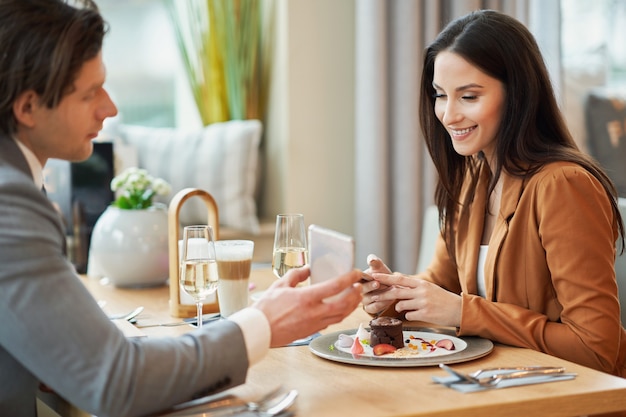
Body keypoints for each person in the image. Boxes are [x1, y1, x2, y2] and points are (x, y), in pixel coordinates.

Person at [0, 1, 363, 416]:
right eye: (89, 93)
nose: (110, 108)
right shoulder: (10, 202)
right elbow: (117, 382)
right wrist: (262, 323)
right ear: (27, 107)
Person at [362, 9, 626, 379]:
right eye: (440, 95)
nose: (449, 114)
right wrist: (397, 297)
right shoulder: (473, 181)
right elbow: (442, 287)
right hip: (497, 385)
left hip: (571, 398)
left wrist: (463, 312)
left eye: (468, 96)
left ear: (517, 94)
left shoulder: (563, 185)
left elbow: (595, 349)